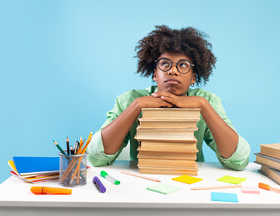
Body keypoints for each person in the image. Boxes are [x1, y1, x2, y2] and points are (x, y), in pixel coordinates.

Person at [87, 25, 250, 171]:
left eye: (183, 65)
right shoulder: (131, 99)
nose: (173, 71)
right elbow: (96, 157)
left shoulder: (207, 101)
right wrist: (136, 106)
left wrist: (203, 106)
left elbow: (239, 160)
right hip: (141, 182)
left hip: (191, 183)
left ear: (193, 78)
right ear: (154, 74)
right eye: (165, 64)